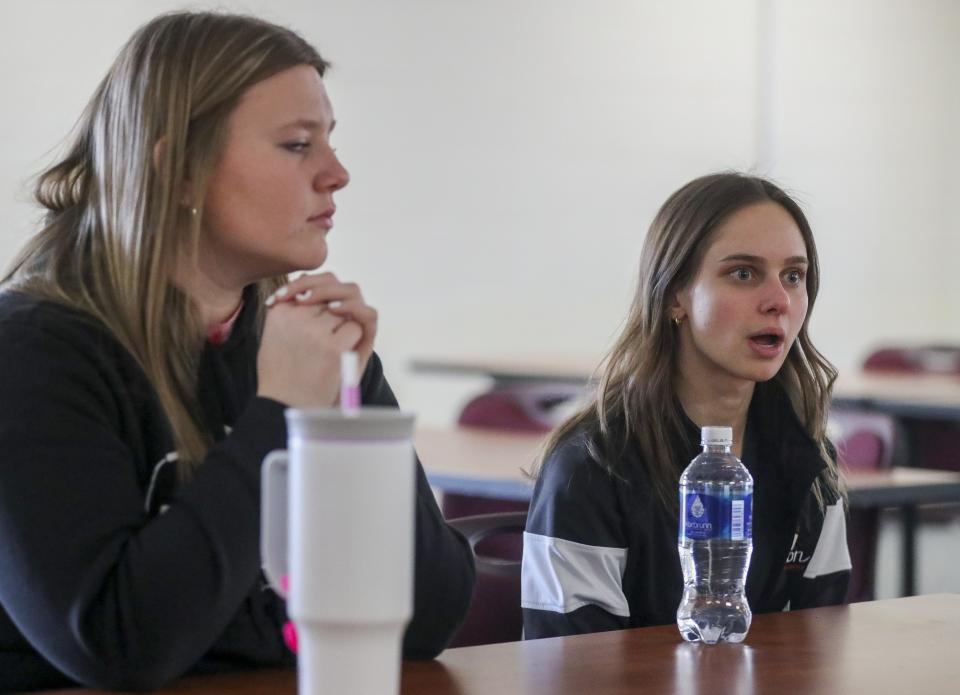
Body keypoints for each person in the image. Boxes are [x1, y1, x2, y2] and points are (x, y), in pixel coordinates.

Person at [0, 11, 474, 691]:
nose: (336, 173)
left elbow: (426, 617)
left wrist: (345, 408)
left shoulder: (296, 342)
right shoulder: (34, 351)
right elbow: (118, 644)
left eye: (329, 142)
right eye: (296, 145)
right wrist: (280, 411)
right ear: (178, 174)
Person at [521, 173, 850, 639]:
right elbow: (570, 669)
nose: (779, 300)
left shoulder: (809, 463)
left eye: (793, 276)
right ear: (677, 293)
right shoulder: (592, 465)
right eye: (743, 273)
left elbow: (825, 649)